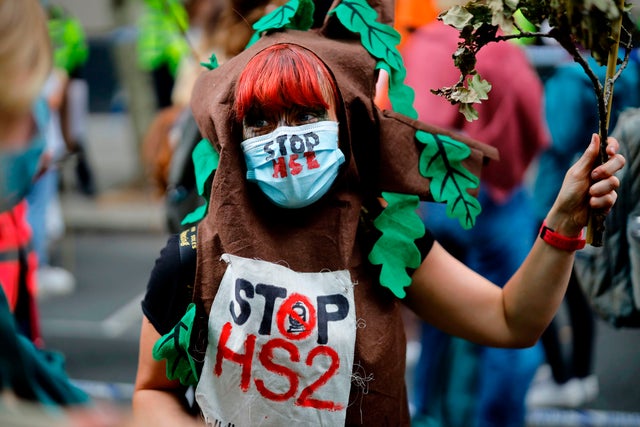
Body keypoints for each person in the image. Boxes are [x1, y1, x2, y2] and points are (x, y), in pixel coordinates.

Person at [132, 3, 625, 426]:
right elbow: (152, 391)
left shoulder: (383, 239)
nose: (286, 136)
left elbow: (511, 320)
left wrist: (563, 220)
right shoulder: (192, 257)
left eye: (306, 114)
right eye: (261, 119)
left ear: (345, 125)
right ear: (234, 137)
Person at [400, 1, 549, 424]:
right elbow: (536, 127)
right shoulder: (501, 48)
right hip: (494, 203)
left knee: (439, 312)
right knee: (511, 321)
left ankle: (427, 412)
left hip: (437, 201)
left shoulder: (423, 44)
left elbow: (410, 121)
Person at [527, 47, 640, 409]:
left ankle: (563, 375)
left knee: (546, 285)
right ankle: (581, 373)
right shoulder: (626, 75)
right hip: (603, 190)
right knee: (580, 291)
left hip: (556, 196)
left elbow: (555, 138)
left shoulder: (567, 80)